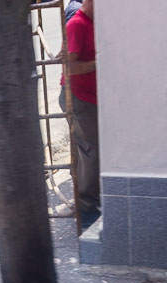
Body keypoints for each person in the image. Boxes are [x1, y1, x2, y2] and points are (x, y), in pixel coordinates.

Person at [62, 0, 100, 229]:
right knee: (90, 152)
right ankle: (86, 209)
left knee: (94, 151)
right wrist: (98, 63)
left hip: (90, 97)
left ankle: (90, 204)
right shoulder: (77, 24)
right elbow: (69, 66)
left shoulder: (94, 23)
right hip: (78, 97)